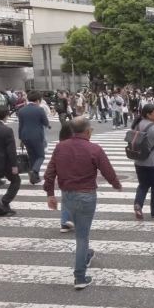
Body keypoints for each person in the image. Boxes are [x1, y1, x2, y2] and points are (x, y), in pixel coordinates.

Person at [44, 116, 121, 289]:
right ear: (87, 131)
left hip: (68, 195)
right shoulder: (94, 149)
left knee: (80, 232)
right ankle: (80, 276)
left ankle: (86, 256)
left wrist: (50, 194)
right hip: (86, 195)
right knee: (82, 236)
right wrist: (116, 184)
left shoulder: (60, 147)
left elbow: (50, 173)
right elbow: (107, 170)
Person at [18, 91, 50, 185]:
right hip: (36, 136)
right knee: (40, 156)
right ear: (38, 100)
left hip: (25, 136)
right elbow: (45, 122)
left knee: (32, 157)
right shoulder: (39, 109)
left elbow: (21, 125)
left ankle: (34, 178)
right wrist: (48, 125)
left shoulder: (22, 110)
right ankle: (34, 171)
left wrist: (21, 138)